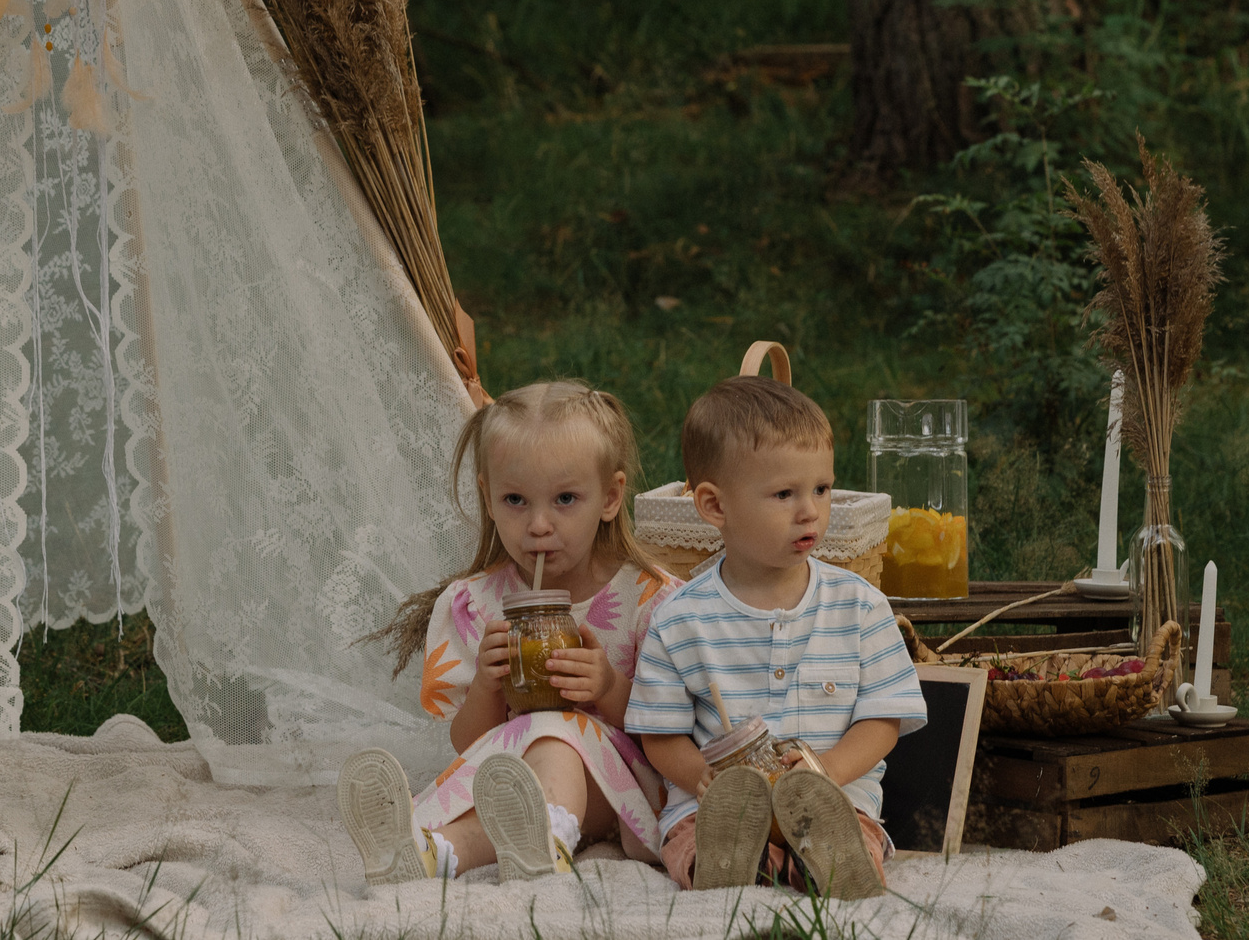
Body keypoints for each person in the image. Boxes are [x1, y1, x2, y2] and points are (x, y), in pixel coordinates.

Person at [336, 380, 681, 884]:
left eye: (565, 498)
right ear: (488, 499)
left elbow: (676, 729)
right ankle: (437, 853)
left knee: (557, 731)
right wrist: (486, 685)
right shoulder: (475, 606)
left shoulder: (651, 600)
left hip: (622, 789)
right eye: (516, 500)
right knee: (527, 761)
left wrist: (608, 689)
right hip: (509, 781)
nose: (539, 524)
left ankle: (545, 838)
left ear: (610, 497)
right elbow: (468, 742)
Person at [626, 376, 925, 899]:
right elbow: (660, 735)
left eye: (821, 489)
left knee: (852, 834)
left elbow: (883, 720)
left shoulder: (859, 606)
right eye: (784, 493)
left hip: (834, 798)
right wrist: (704, 777)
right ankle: (733, 861)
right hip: (717, 805)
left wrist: (826, 770)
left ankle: (828, 863)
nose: (809, 510)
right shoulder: (680, 619)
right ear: (715, 507)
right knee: (692, 839)